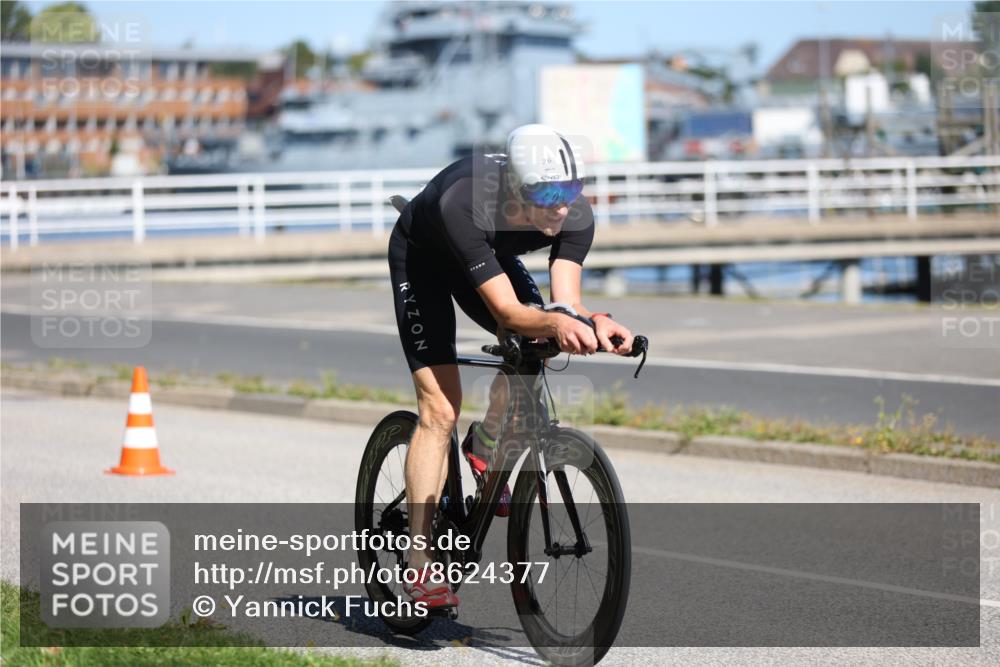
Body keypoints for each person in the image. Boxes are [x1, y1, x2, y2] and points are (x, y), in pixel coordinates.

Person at [387, 124, 635, 609]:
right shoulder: (464, 200)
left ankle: (485, 442)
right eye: (548, 194)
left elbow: (564, 305)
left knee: (542, 340)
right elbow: (506, 313)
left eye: (571, 191)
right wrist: (554, 323)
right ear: (517, 189)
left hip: (486, 254)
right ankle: (418, 563)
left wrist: (596, 323)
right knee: (440, 410)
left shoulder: (573, 213)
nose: (562, 206)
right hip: (424, 262)